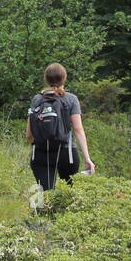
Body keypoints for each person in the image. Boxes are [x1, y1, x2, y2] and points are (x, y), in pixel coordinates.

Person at [26, 62, 95, 190]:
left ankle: (43, 210)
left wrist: (41, 144)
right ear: (65, 77)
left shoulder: (37, 99)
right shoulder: (71, 99)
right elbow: (78, 129)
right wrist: (87, 158)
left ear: (46, 79)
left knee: (45, 195)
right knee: (69, 194)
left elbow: (29, 135)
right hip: (66, 153)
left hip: (41, 153)